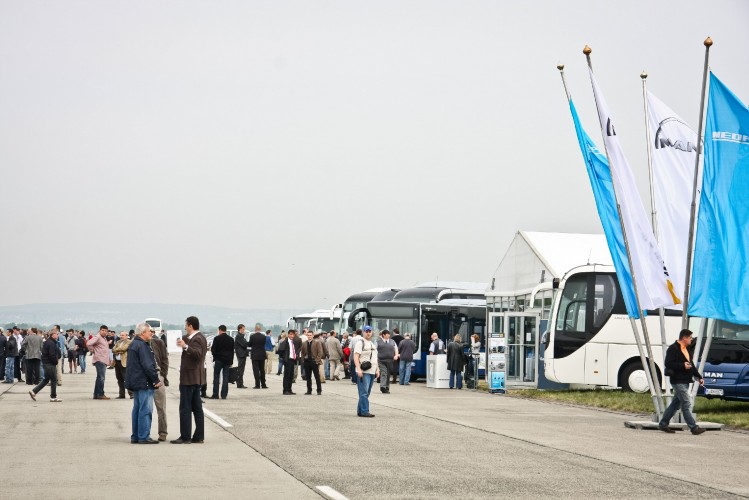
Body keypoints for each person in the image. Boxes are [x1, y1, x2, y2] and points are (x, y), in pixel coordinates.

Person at [658, 329, 706, 435]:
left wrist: (699, 377)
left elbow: (691, 364)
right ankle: (694, 428)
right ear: (684, 338)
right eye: (690, 337)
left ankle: (663, 424)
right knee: (686, 403)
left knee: (675, 404)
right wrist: (682, 365)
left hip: (685, 380)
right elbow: (668, 363)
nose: (691, 339)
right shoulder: (673, 348)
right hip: (677, 380)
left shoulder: (686, 349)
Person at [172, 316, 207, 444]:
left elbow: (197, 354)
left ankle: (185, 436)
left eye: (186, 325)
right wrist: (183, 343)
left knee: (185, 408)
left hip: (189, 379)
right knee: (197, 408)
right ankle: (198, 436)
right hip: (195, 378)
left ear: (191, 326)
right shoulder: (199, 337)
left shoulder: (197, 339)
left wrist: (185, 346)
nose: (185, 328)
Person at [125, 323, 161, 444]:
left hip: (136, 382)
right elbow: (148, 365)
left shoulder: (134, 344)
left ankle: (136, 435)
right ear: (142, 333)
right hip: (144, 382)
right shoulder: (142, 346)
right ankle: (144, 436)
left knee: (137, 409)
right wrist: (155, 379)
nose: (151, 333)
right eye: (149, 331)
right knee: (145, 410)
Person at [28, 328, 62, 403]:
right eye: (56, 334)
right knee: (53, 380)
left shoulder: (48, 342)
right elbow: (52, 355)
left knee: (46, 380)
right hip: (50, 364)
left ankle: (34, 391)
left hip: (46, 363)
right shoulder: (51, 343)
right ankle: (53, 397)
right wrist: (55, 362)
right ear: (52, 335)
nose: (57, 335)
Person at [354, 325, 378, 417]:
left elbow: (375, 358)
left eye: (369, 331)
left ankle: (360, 411)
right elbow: (356, 357)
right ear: (363, 332)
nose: (368, 333)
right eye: (366, 331)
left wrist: (377, 369)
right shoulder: (360, 343)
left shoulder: (372, 344)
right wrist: (359, 369)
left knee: (367, 392)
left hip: (372, 371)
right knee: (364, 392)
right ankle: (364, 411)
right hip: (364, 371)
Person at [150, 330, 169, 441]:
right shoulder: (139, 344)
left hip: (158, 375)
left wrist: (163, 375)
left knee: (161, 407)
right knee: (145, 408)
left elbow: (165, 359)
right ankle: (144, 433)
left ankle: (163, 432)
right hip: (144, 378)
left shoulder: (158, 343)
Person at [210, 325, 234, 400]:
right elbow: (232, 351)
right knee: (225, 377)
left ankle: (215, 394)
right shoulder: (231, 339)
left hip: (218, 360)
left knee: (216, 376)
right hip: (227, 361)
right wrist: (231, 361)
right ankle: (224, 395)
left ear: (220, 330)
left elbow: (213, 350)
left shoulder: (217, 338)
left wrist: (215, 357)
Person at [87, 326, 111, 400]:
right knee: (101, 378)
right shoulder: (98, 337)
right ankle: (100, 394)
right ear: (100, 330)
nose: (104, 332)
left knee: (99, 377)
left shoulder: (104, 338)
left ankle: (96, 394)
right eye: (102, 330)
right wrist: (92, 350)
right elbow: (89, 343)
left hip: (103, 359)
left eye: (105, 331)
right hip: (100, 359)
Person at [277, 329, 300, 395]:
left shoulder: (294, 342)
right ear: (288, 334)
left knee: (291, 375)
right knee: (287, 375)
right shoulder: (285, 342)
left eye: (293, 335)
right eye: (290, 334)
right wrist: (284, 358)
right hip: (287, 360)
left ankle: (289, 389)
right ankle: (285, 390)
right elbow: (280, 350)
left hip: (293, 360)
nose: (292, 336)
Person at [301, 330, 324, 395]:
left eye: (310, 335)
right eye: (308, 335)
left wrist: (317, 360)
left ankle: (319, 390)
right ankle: (309, 390)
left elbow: (320, 352)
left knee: (317, 376)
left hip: (314, 361)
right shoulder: (304, 343)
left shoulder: (317, 342)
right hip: (307, 361)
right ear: (307, 336)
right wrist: (303, 360)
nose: (309, 336)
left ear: (313, 336)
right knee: (308, 377)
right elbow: (302, 352)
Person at [112, 331, 133, 399]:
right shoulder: (118, 342)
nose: (121, 336)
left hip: (124, 362)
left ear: (126, 336)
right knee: (119, 379)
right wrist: (118, 351)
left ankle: (131, 394)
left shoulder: (129, 342)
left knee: (126, 378)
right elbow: (113, 349)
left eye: (123, 335)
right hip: (117, 363)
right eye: (120, 335)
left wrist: (117, 350)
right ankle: (121, 394)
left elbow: (124, 348)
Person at [376, 329, 398, 394]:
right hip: (381, 360)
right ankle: (382, 387)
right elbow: (375, 350)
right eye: (387, 334)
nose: (389, 335)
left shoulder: (392, 341)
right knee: (384, 373)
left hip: (390, 360)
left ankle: (387, 387)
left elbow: (396, 349)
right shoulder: (378, 342)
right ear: (383, 335)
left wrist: (396, 355)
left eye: (389, 334)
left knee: (388, 374)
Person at [249, 325, 268, 389]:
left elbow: (249, 344)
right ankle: (263, 384)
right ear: (260, 329)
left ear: (255, 329)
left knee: (256, 370)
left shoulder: (252, 336)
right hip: (262, 354)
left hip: (255, 355)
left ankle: (257, 385)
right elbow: (264, 344)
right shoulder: (264, 337)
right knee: (262, 370)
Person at [233, 324, 249, 389]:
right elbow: (244, 344)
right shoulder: (239, 336)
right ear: (240, 329)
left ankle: (240, 383)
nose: (244, 330)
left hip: (241, 354)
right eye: (243, 329)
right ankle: (240, 383)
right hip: (241, 354)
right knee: (240, 369)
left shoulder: (240, 336)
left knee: (241, 369)